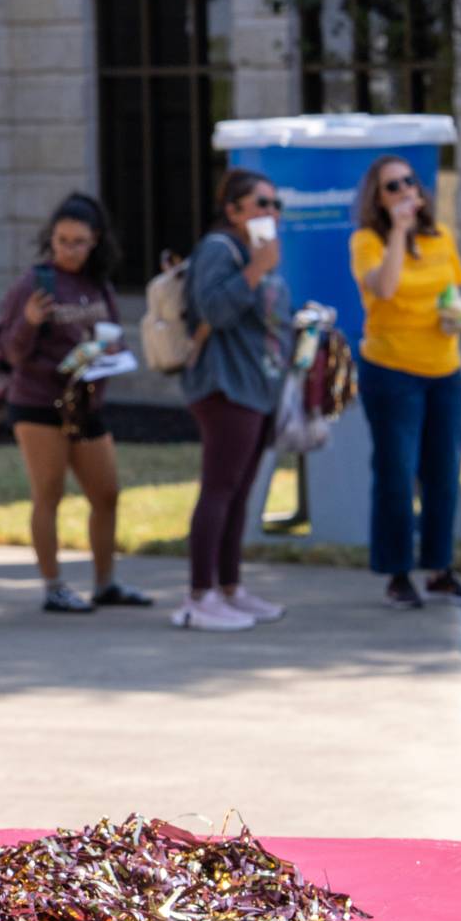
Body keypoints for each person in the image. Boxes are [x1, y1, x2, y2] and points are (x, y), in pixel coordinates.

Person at [0, 193, 148, 614]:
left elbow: (113, 334)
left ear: (95, 240)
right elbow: (10, 351)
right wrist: (28, 322)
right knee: (48, 494)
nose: (69, 250)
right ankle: (54, 586)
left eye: (79, 242)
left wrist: (110, 353)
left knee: (107, 493)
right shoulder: (35, 284)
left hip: (86, 404)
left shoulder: (97, 284)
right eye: (62, 241)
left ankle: (105, 583)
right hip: (39, 402)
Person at [351, 154, 461, 610]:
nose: (405, 189)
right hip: (392, 373)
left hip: (444, 370)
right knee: (396, 473)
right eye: (392, 186)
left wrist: (454, 314)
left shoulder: (441, 237)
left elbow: (452, 287)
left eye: (409, 181)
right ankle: (397, 574)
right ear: (378, 198)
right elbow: (383, 289)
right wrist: (399, 233)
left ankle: (440, 570)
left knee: (443, 473)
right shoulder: (367, 241)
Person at [174, 169, 293, 632]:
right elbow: (214, 310)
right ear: (234, 211)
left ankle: (230, 589)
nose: (271, 213)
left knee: (240, 492)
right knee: (219, 488)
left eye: (275, 205)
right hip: (225, 387)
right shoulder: (219, 250)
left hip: (256, 386)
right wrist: (257, 270)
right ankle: (198, 597)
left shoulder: (252, 253)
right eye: (261, 204)